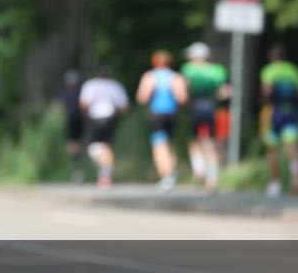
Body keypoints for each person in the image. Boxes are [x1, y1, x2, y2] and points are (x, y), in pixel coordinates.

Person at [180, 42, 230, 192]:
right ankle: (212, 178)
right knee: (213, 145)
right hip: (214, 109)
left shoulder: (188, 70)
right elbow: (225, 92)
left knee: (195, 141)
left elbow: (183, 91)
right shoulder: (219, 70)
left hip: (197, 107)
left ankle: (199, 169)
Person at [136, 51, 188, 192]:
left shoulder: (150, 76)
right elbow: (182, 98)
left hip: (157, 114)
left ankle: (166, 175)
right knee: (169, 144)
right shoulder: (176, 77)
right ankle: (171, 171)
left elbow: (142, 97)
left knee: (159, 145)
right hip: (172, 114)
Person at [259, 43, 298, 197]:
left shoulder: (269, 70)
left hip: (274, 112)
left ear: (272, 58)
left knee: (273, 148)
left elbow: (266, 91)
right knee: (292, 147)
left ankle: (274, 183)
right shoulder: (294, 70)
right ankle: (297, 179)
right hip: (292, 111)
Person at [79, 65, 129, 188]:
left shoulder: (90, 85)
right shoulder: (115, 86)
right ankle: (105, 173)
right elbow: (124, 107)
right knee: (106, 146)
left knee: (94, 147)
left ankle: (105, 175)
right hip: (110, 119)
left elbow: (84, 104)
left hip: (95, 118)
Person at [61, 70, 85, 182]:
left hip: (76, 120)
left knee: (74, 145)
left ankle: (77, 170)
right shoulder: (76, 93)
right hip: (75, 120)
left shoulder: (70, 94)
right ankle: (76, 169)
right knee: (74, 146)